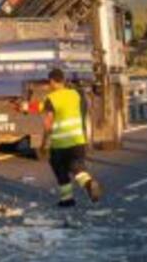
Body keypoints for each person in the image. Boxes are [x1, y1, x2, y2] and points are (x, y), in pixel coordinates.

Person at [41, 68, 103, 208]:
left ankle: (67, 199)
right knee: (77, 168)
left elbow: (48, 123)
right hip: (77, 140)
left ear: (52, 81)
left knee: (60, 170)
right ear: (63, 80)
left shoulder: (50, 98)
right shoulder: (75, 94)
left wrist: (44, 143)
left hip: (60, 144)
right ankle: (88, 183)